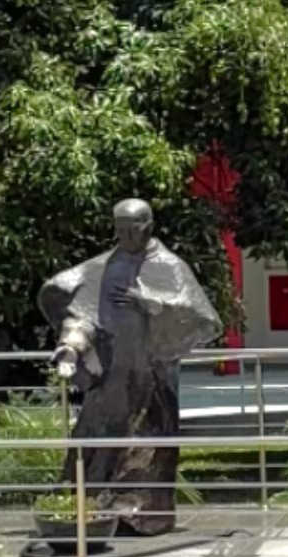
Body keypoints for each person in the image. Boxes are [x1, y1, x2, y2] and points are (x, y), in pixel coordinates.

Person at [49, 197, 210, 536]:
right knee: (95, 439)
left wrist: (151, 303)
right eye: (118, 230)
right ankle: (82, 505)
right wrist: (74, 342)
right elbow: (82, 306)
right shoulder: (105, 265)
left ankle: (136, 514)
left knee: (146, 446)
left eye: (131, 230)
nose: (124, 237)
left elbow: (199, 315)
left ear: (148, 227)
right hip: (111, 374)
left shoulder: (169, 266)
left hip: (151, 375)